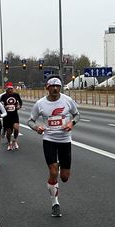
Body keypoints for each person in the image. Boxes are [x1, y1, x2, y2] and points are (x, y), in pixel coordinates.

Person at [27, 75, 80, 217]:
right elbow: (30, 121)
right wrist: (37, 128)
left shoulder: (68, 101)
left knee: (64, 177)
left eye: (58, 86)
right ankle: (55, 203)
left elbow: (77, 115)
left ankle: (59, 170)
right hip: (49, 140)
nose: (55, 89)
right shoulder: (40, 104)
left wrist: (71, 123)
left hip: (65, 140)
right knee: (53, 171)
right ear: (47, 88)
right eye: (52, 86)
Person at [0, 82, 22, 151]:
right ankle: (9, 143)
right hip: (7, 116)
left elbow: (20, 102)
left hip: (14, 115)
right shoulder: (3, 96)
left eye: (11, 89)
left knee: (16, 128)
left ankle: (14, 141)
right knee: (8, 132)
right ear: (6, 89)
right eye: (9, 89)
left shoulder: (16, 95)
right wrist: (4, 107)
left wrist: (19, 106)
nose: (10, 90)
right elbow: (0, 105)